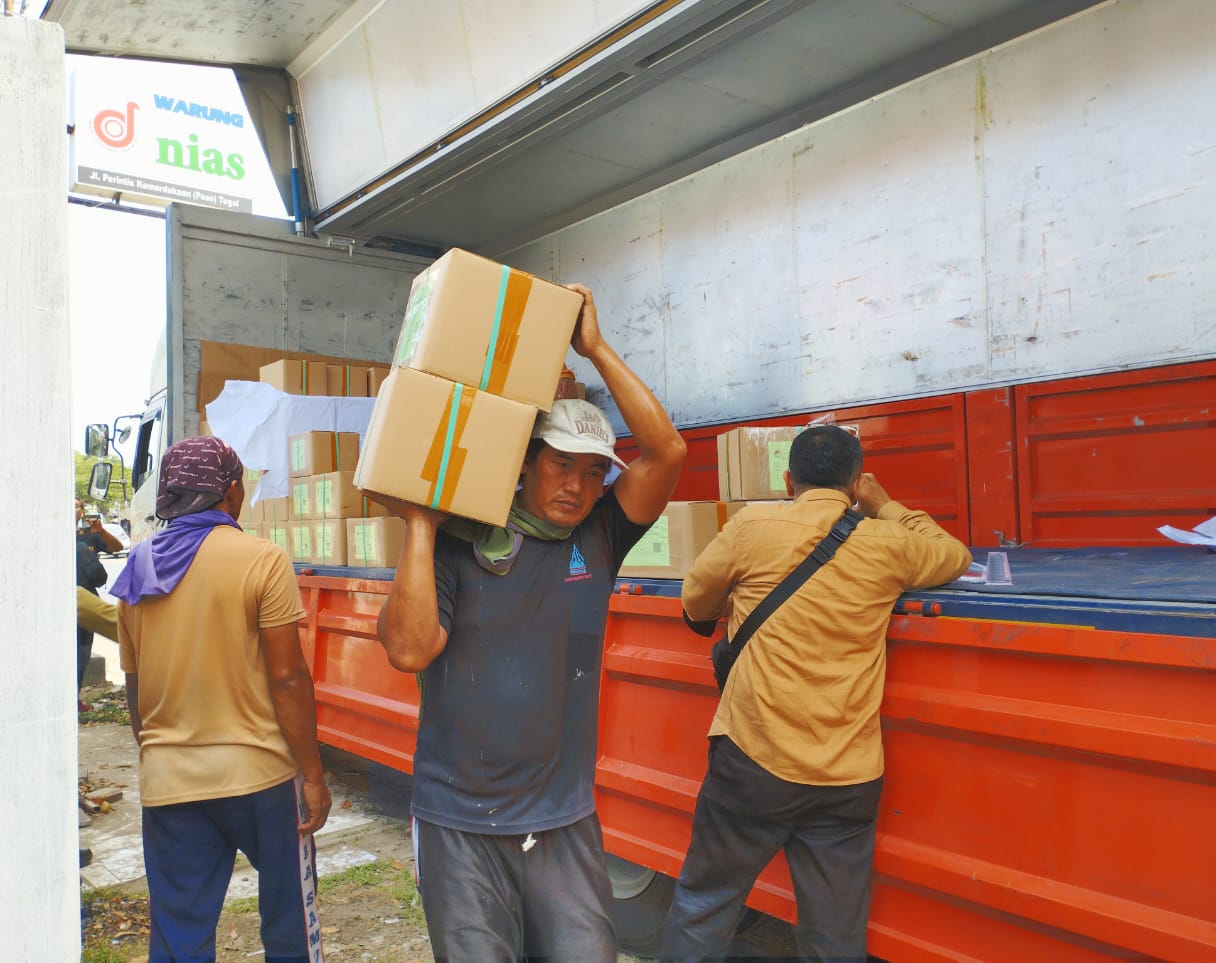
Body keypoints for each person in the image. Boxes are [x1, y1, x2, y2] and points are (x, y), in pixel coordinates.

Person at [370, 283, 686, 960]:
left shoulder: (599, 537)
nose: (577, 485)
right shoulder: (457, 543)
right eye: (561, 463)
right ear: (525, 463)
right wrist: (421, 524)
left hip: (563, 820)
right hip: (460, 823)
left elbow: (668, 453)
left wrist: (594, 348)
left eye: (594, 472)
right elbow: (409, 649)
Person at [659, 425, 972, 961]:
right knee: (834, 934)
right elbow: (954, 554)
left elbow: (695, 604)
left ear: (788, 481)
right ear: (855, 483)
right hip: (848, 776)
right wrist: (886, 505)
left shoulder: (753, 526)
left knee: (706, 903)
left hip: (752, 760)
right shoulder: (890, 544)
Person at [109, 436, 332, 963]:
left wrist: (163, 756)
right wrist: (313, 774)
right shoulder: (261, 559)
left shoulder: (137, 569)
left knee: (179, 937)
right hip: (260, 776)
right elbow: (288, 679)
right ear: (231, 491)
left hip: (169, 781)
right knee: (289, 924)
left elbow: (136, 692)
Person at [75, 498, 122, 710]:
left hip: (87, 602)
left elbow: (117, 547)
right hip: (68, 601)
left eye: (77, 506)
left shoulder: (90, 535)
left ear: (82, 511)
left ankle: (75, 698)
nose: (73, 510)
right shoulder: (51, 533)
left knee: (82, 653)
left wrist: (102, 531)